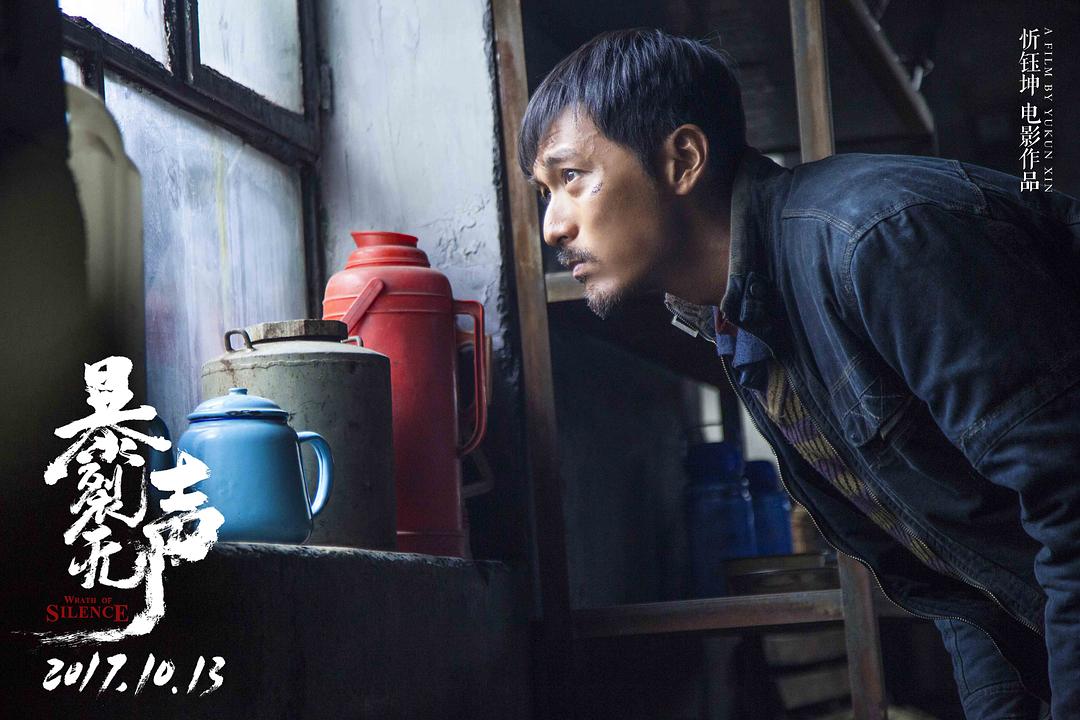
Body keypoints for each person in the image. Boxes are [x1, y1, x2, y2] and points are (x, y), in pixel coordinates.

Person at [519, 28, 1080, 720]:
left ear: (683, 159)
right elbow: (957, 572)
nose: (552, 226)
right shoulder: (746, 328)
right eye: (545, 191)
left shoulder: (874, 243)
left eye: (572, 178)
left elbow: (1071, 509)